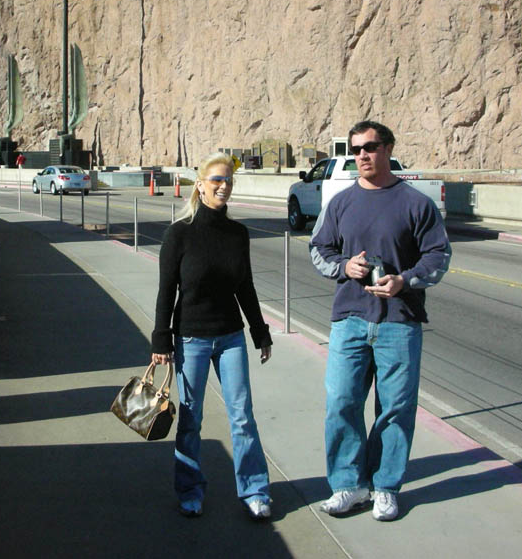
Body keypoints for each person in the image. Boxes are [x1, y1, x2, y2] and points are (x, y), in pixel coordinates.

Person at [309, 120, 451, 521]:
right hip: (349, 320)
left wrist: (404, 280)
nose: (362, 155)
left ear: (388, 148)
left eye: (370, 147)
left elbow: (438, 255)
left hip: (399, 322)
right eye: (355, 150)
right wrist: (344, 266)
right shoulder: (340, 203)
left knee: (396, 408)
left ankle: (385, 487)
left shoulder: (416, 203)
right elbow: (319, 248)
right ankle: (348, 485)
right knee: (342, 402)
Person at [151, 152, 274, 520]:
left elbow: (245, 287)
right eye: (217, 180)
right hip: (191, 339)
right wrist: (161, 339)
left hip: (231, 337)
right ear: (200, 185)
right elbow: (166, 290)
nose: (224, 186)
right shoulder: (179, 234)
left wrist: (260, 332)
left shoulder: (237, 234)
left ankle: (255, 491)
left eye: (228, 180)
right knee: (191, 419)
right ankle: (190, 490)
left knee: (242, 416)